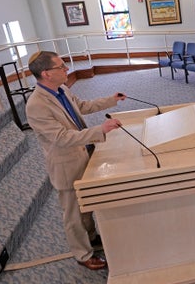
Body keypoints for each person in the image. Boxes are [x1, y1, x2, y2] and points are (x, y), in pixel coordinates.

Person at [25, 50, 126, 270]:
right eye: (61, 67)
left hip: (84, 151)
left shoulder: (60, 89)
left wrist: (111, 100)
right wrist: (100, 130)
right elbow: (61, 138)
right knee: (73, 213)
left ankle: (91, 238)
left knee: (86, 202)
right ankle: (83, 254)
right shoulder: (36, 105)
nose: (66, 69)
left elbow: (81, 106)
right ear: (46, 73)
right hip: (66, 163)